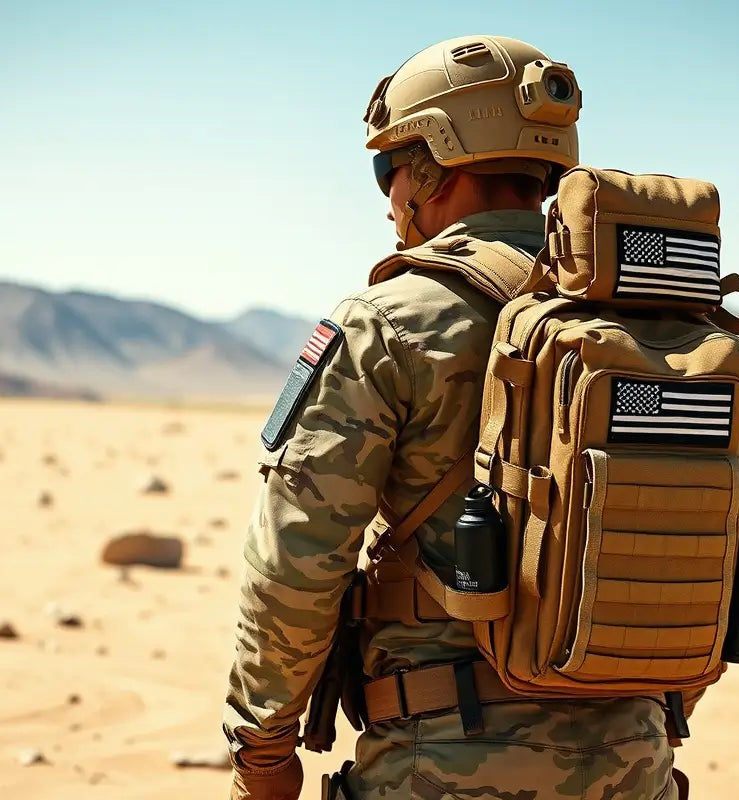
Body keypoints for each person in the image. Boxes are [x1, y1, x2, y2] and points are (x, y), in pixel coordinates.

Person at [225, 35, 695, 800]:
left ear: (431, 166)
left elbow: (296, 562)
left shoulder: (387, 322)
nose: (386, 198)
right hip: (635, 761)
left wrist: (263, 753)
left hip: (438, 763)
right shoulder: (650, 324)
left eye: (387, 167)